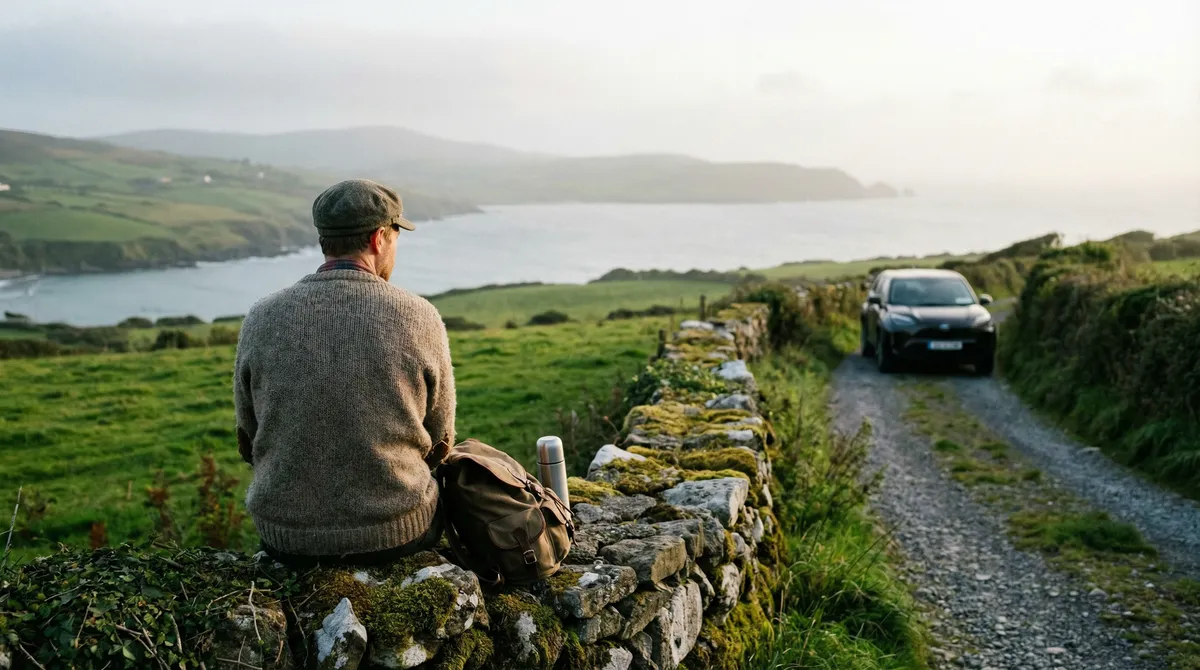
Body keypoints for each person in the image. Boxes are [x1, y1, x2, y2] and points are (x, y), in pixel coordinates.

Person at [233, 178, 456, 567]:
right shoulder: (419, 316)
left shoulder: (261, 316)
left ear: (326, 239)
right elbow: (441, 440)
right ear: (378, 239)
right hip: (398, 530)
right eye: (396, 236)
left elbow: (249, 437)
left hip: (285, 536)